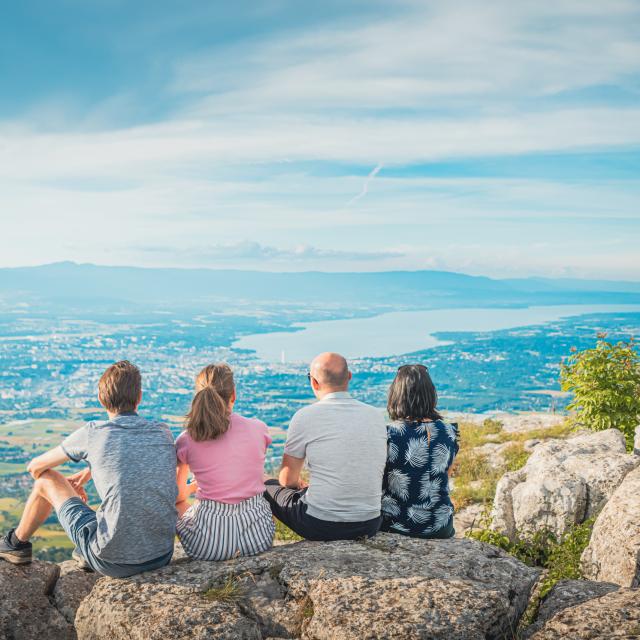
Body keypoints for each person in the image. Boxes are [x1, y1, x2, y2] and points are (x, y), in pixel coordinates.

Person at [0, 360, 177, 577]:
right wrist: (91, 471)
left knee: (46, 479)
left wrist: (65, 487)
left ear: (101, 399)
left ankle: (15, 544)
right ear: (139, 397)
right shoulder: (162, 432)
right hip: (161, 554)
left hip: (111, 561)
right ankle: (86, 550)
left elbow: (35, 467)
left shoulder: (94, 433)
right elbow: (135, 465)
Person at [264, 352, 387, 541]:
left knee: (264, 483)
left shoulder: (305, 416)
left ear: (314, 382)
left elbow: (286, 481)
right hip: (370, 523)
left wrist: (298, 486)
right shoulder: (375, 416)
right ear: (349, 377)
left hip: (321, 525)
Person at [175, 363, 274, 560]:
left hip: (208, 547)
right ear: (233, 395)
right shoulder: (258, 428)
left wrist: (192, 489)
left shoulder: (187, 438)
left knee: (179, 505)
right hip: (259, 538)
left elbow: (177, 496)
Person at [380, 364, 459, 539]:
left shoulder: (388, 433)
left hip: (396, 524)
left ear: (396, 394)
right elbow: (446, 474)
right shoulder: (449, 432)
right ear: (431, 394)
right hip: (441, 525)